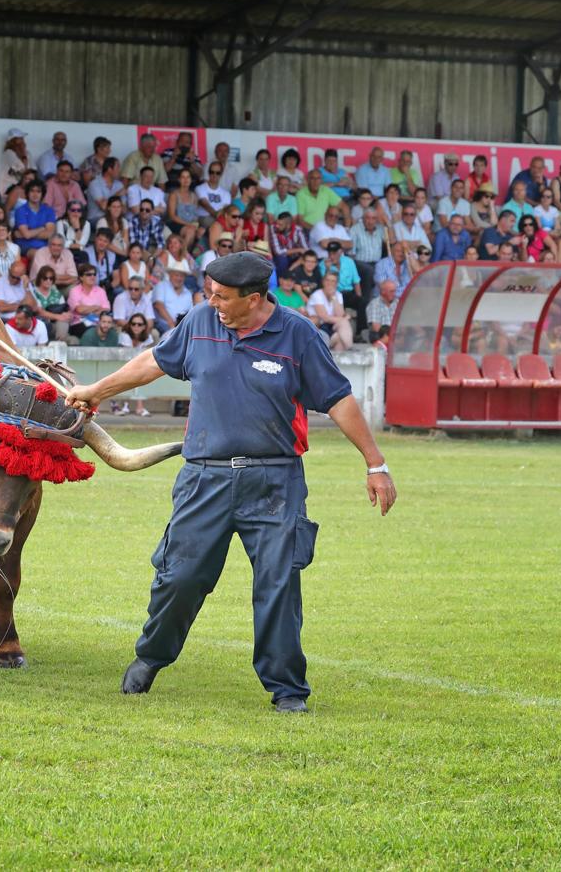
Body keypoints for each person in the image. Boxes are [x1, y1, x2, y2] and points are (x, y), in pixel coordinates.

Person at [66, 251, 396, 712]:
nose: (212, 301)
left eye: (222, 296)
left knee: (278, 583)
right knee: (179, 577)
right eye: (210, 293)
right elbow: (154, 362)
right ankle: (150, 658)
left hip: (275, 481)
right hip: (204, 478)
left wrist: (375, 464)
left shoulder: (297, 334)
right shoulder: (201, 321)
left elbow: (339, 400)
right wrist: (95, 391)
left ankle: (286, 690)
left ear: (255, 298)